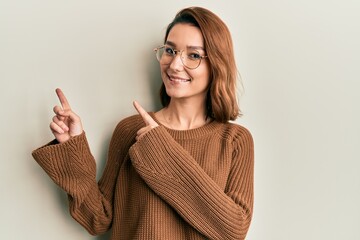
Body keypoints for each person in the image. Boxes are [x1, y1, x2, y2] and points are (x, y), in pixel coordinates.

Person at [32, 6, 254, 240]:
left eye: (194, 55)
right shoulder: (130, 130)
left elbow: (233, 231)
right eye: (170, 50)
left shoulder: (234, 140)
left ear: (216, 65)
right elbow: (98, 219)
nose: (175, 65)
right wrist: (72, 146)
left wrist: (159, 149)